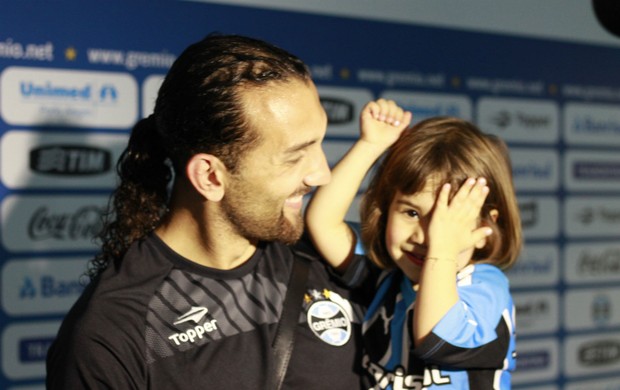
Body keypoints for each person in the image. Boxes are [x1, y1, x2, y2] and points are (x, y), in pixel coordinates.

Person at [46, 33, 366, 389]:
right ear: (210, 176)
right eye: (295, 156)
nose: (321, 174)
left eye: (319, 143)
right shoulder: (113, 334)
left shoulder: (331, 254)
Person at [306, 100, 522, 389]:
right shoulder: (388, 276)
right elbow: (323, 222)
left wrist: (443, 250)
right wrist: (371, 144)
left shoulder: (485, 287)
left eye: (446, 221)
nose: (425, 236)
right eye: (411, 213)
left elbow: (437, 338)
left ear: (484, 226)